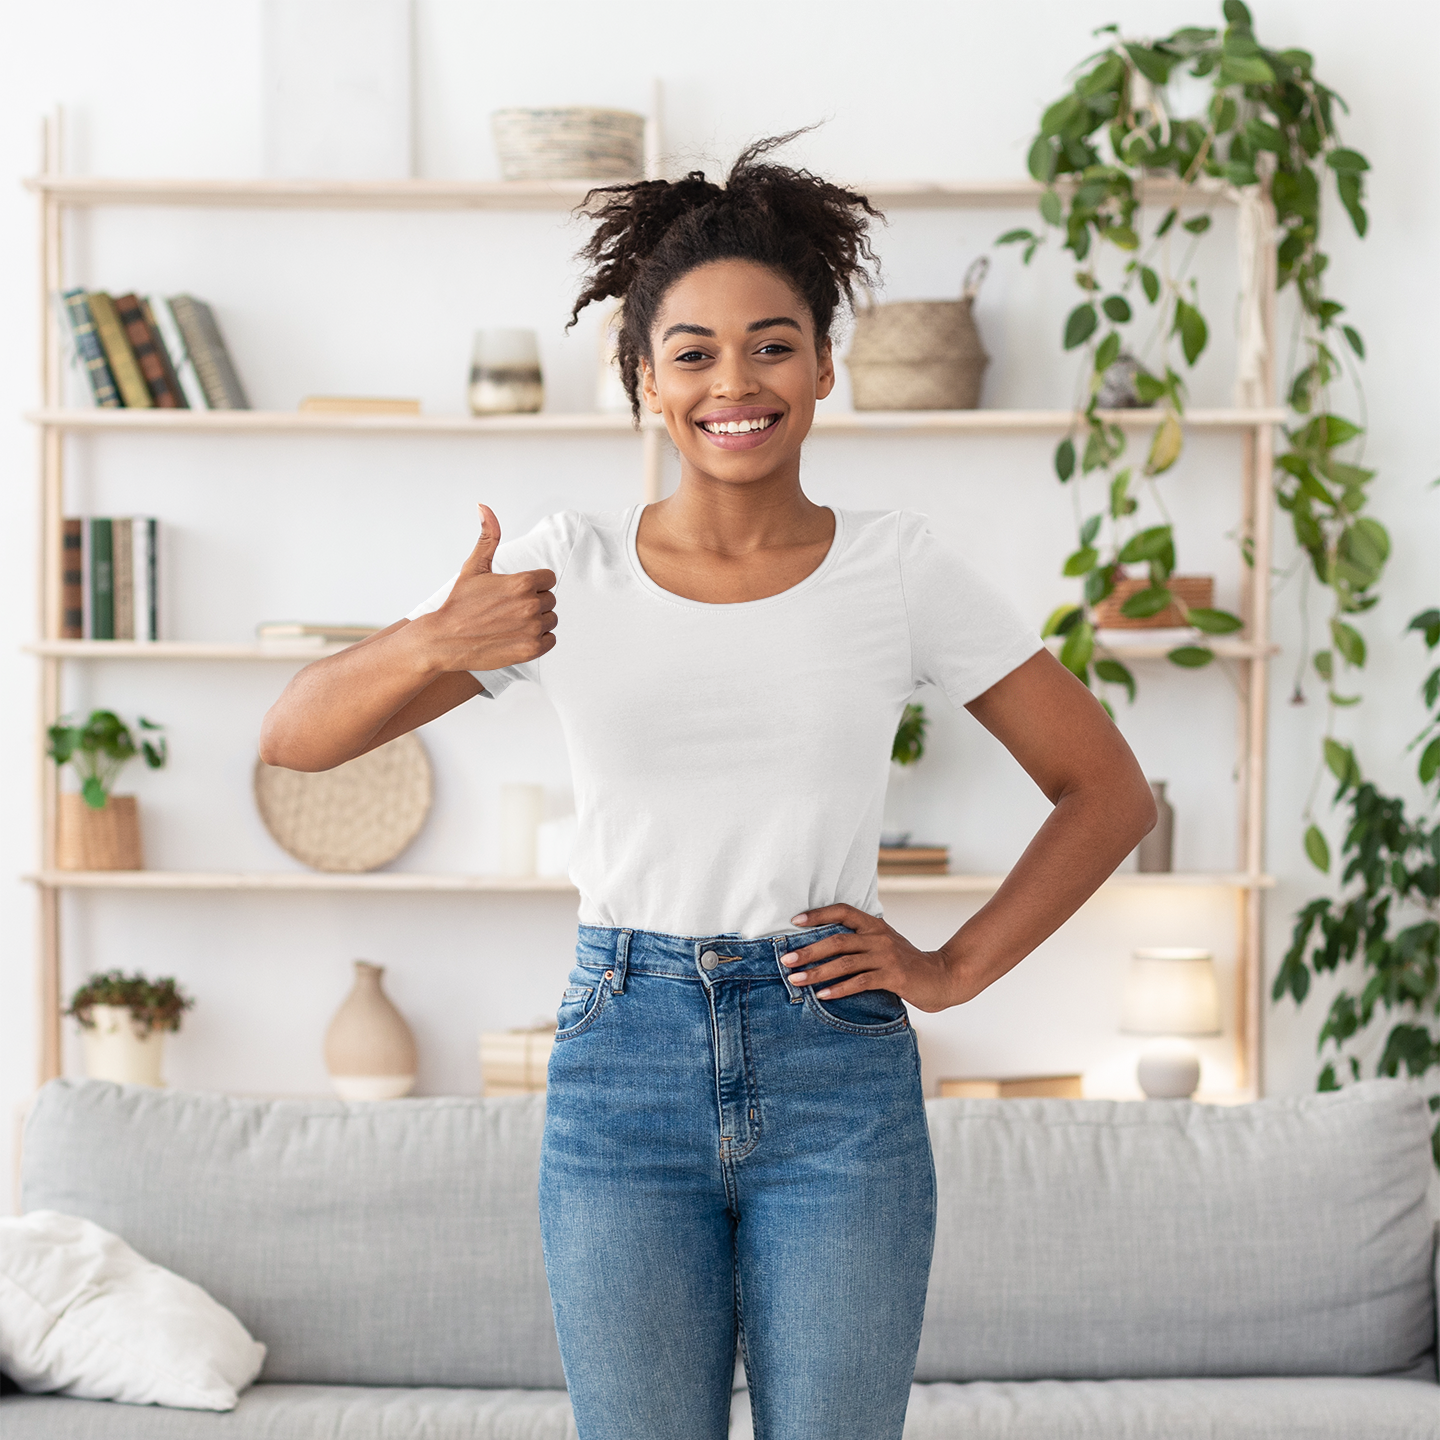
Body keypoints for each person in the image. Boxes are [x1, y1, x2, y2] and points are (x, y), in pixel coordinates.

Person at [259, 134, 1156, 1440]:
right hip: (623, 1057)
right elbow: (294, 738)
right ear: (640, 379)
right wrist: (433, 641)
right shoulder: (569, 571)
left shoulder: (899, 570)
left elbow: (1106, 790)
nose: (736, 381)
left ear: (825, 364)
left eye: (774, 343)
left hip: (833, 1065)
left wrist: (954, 970)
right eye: (692, 352)